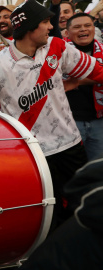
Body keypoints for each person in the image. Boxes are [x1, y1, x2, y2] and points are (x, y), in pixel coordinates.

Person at [0, 0, 103, 229]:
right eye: (45, 22)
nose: (51, 27)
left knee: (81, 210)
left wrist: (76, 81)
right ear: (29, 27)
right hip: (32, 155)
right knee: (44, 217)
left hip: (70, 147)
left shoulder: (57, 47)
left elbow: (98, 71)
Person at [64, 13, 103, 161]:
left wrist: (79, 81)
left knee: (98, 171)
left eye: (87, 26)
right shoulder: (57, 53)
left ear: (94, 28)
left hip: (99, 122)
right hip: (69, 123)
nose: (83, 30)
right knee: (72, 170)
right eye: (77, 27)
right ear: (67, 33)